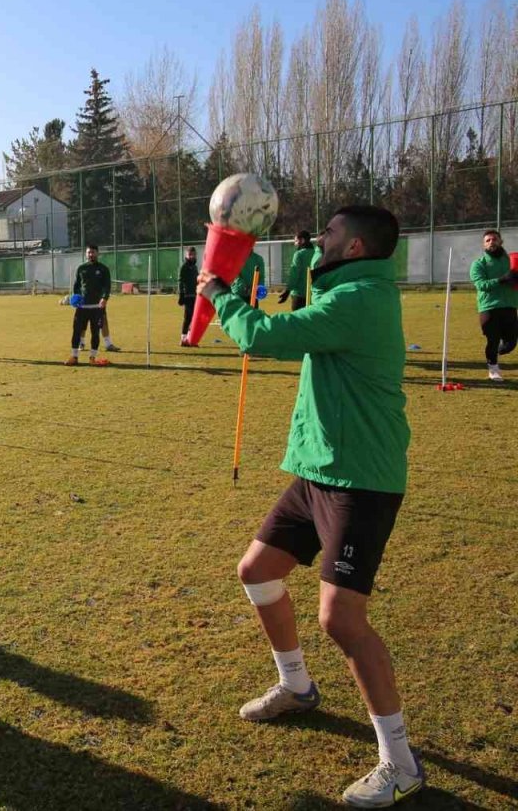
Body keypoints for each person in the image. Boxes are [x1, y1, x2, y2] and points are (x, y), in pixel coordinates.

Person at [198, 205, 423, 807]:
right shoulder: (347, 288)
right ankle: (296, 688)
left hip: (361, 480)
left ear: (354, 247)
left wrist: (218, 291)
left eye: (328, 233)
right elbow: (294, 310)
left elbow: (265, 337)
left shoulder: (360, 302)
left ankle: (400, 763)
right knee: (257, 571)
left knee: (341, 621)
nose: (318, 239)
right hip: (317, 470)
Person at [468, 229, 518, 382]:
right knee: (493, 339)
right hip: (488, 307)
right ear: (483, 245)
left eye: (494, 239)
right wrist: (502, 279)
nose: (491, 242)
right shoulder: (478, 264)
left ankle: (499, 350)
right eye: (488, 240)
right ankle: (493, 368)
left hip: (510, 305)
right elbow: (481, 285)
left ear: (500, 241)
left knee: (510, 343)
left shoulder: (511, 260)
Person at [64, 245, 111, 367]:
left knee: (95, 333)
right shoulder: (81, 268)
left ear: (97, 253)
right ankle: (74, 357)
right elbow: (77, 286)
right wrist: (75, 298)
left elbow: (107, 286)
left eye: (93, 252)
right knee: (76, 332)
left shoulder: (103, 269)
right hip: (82, 308)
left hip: (97, 307)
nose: (91, 254)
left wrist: (104, 298)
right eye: (89, 252)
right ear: (86, 254)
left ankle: (92, 358)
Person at [278, 230, 315, 311]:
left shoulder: (299, 254)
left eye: (296, 241)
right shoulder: (317, 253)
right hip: (313, 295)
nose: (294, 243)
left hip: (299, 295)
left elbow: (294, 275)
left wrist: (287, 291)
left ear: (302, 240)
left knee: (297, 321)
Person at [178, 247, 198, 345]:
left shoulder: (195, 267)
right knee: (188, 317)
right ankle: (183, 338)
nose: (192, 256)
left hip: (195, 295)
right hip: (187, 296)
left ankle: (190, 339)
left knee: (194, 317)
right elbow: (180, 281)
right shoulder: (184, 267)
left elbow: (197, 280)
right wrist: (181, 294)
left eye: (193, 254)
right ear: (186, 255)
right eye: (190, 255)